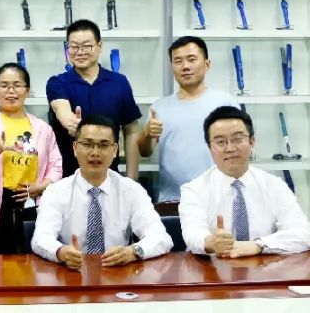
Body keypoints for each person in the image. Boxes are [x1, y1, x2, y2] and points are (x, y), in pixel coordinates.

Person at [30, 116, 173, 269]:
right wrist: (61, 252)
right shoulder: (55, 192)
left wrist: (132, 252)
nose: (95, 152)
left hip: (118, 273)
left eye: (104, 145)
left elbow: (161, 237)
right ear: (75, 148)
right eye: (87, 144)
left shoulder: (131, 190)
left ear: (115, 150)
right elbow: (40, 238)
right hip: (71, 272)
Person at [179, 106, 310, 257]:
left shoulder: (275, 186)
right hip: (213, 268)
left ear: (252, 141)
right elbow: (193, 235)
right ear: (210, 148)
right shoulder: (194, 190)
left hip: (264, 267)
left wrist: (259, 245)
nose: (230, 148)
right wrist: (211, 242)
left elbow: (303, 234)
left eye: (237, 139)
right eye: (220, 142)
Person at [0, 62, 62, 253]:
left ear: (27, 90)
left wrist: (41, 186)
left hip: (32, 197)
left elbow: (56, 165)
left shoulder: (43, 128)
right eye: (4, 85)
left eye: (17, 85)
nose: (11, 91)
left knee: (32, 256)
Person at [139, 37, 239, 203]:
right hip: (173, 199)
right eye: (178, 61)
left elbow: (239, 150)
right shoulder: (159, 107)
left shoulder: (225, 103)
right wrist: (148, 134)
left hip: (219, 198)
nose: (185, 66)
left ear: (207, 64)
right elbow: (145, 151)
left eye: (191, 59)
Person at [46, 19, 142, 178]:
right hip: (67, 178)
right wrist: (71, 122)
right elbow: (61, 108)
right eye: (74, 47)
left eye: (86, 46)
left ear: (99, 46)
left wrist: (132, 180)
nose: (79, 52)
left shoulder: (119, 83)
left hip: (109, 176)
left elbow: (131, 131)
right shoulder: (57, 82)